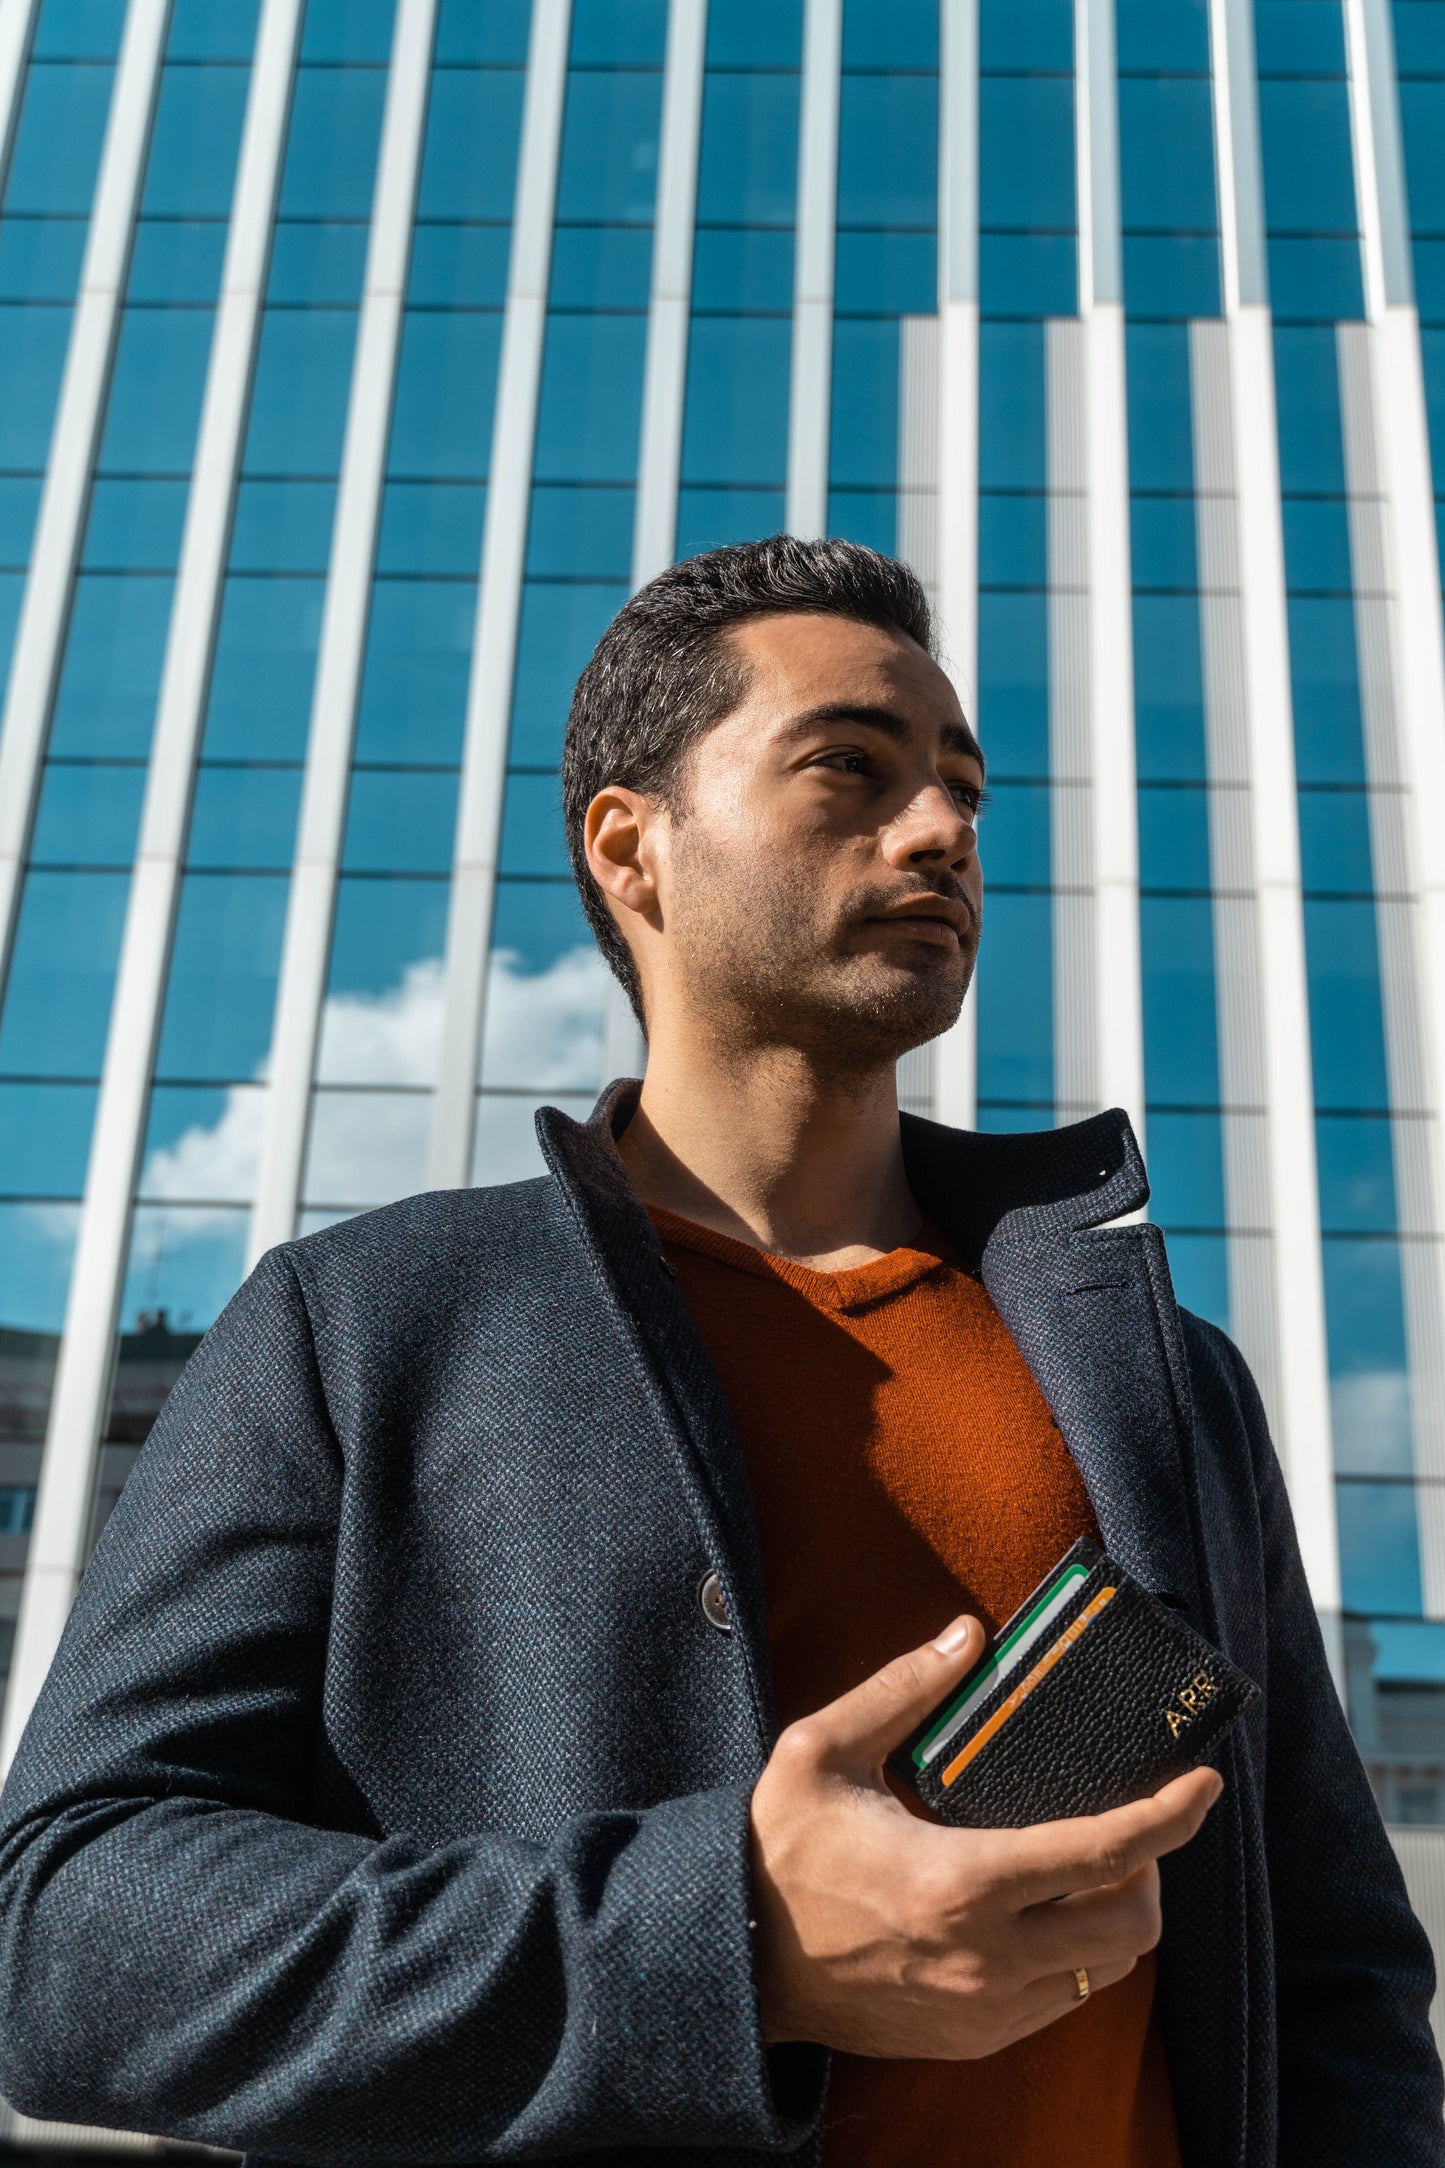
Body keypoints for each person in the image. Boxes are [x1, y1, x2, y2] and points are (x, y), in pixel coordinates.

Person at [0, 537, 1437, 2168]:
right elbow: (68, 1938)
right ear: (632, 846)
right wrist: (726, 1940)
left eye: (963, 787)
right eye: (851, 767)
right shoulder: (367, 1321)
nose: (944, 830)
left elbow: (1332, 1977)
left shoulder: (1161, 1374)